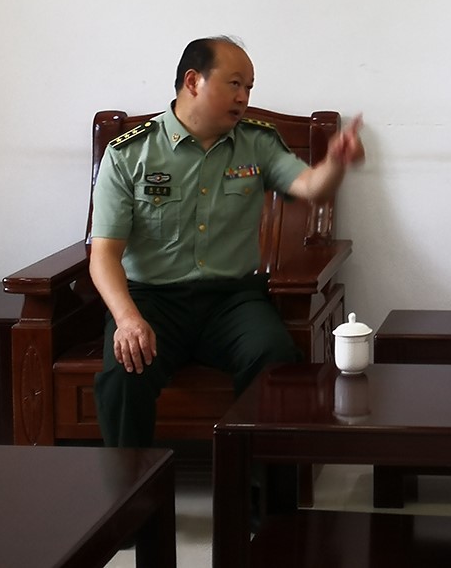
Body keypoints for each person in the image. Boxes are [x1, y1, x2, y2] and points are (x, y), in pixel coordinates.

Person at [89, 35, 364, 447]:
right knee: (124, 371)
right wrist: (127, 319)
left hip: (231, 301)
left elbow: (311, 186)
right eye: (234, 83)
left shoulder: (257, 142)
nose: (244, 97)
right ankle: (133, 485)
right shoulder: (130, 153)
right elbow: (104, 255)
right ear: (193, 81)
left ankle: (259, 484)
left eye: (249, 87)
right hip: (152, 301)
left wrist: (336, 162)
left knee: (273, 355)